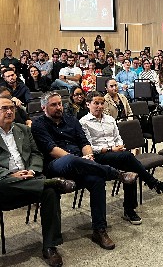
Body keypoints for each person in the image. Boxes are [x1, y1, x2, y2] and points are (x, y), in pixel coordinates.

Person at [0, 95, 76, 267]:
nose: (10, 111)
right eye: (4, 108)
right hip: (3, 186)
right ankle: (51, 181)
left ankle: (50, 246)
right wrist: (10, 174)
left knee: (50, 192)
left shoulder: (23, 130)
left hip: (30, 178)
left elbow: (36, 153)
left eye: (12, 108)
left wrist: (32, 171)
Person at [31, 92, 140, 251]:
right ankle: (116, 174)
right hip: (56, 165)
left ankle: (99, 229)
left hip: (80, 163)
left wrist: (88, 156)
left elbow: (84, 141)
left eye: (60, 103)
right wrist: (81, 160)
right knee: (72, 159)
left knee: (97, 180)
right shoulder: (39, 124)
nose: (58, 107)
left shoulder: (71, 120)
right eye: (53, 105)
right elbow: (51, 149)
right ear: (43, 107)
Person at [80, 91, 163, 224]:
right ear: (88, 104)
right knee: (128, 157)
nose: (100, 106)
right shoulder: (84, 122)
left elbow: (117, 138)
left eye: (102, 103)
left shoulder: (110, 119)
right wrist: (111, 149)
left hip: (117, 155)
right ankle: (153, 184)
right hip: (98, 157)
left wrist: (119, 146)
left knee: (131, 169)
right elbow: (87, 147)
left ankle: (130, 210)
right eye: (96, 103)